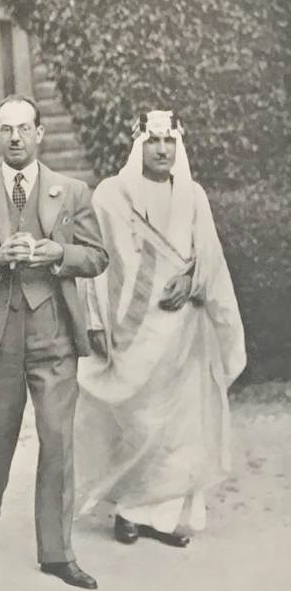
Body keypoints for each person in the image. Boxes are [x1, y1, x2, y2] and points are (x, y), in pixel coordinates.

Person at [0, 94, 108, 589]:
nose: (15, 137)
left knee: (57, 440)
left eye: (23, 128)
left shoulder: (72, 191)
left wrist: (59, 252)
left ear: (40, 134)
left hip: (53, 329)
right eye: (5, 129)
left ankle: (57, 552)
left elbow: (97, 256)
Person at [74, 110, 245, 547]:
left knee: (179, 428)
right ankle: (128, 510)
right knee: (136, 423)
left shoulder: (193, 196)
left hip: (184, 333)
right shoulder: (111, 196)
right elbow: (94, 262)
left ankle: (163, 518)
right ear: (138, 146)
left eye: (169, 141)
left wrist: (192, 280)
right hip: (129, 332)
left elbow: (209, 254)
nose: (162, 149)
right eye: (153, 141)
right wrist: (93, 320)